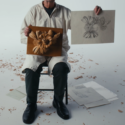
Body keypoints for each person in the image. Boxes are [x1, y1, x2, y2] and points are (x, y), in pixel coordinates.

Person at [20, 0, 102, 124]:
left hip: (58, 51)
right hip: (37, 50)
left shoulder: (64, 12)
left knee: (62, 67)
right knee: (31, 67)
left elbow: (81, 23)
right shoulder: (33, 11)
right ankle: (31, 104)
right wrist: (26, 34)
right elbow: (22, 33)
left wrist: (95, 15)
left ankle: (58, 101)